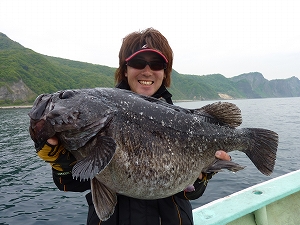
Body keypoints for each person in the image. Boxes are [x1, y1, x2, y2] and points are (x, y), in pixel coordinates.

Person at [35, 28, 231, 225]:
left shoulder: (188, 124)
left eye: (156, 64)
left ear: (165, 72)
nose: (147, 71)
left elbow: (191, 194)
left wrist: (205, 173)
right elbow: (70, 184)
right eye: (138, 63)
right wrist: (60, 161)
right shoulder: (89, 121)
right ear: (125, 69)